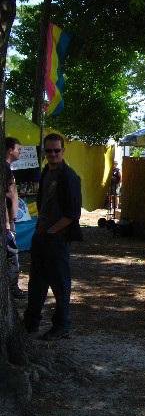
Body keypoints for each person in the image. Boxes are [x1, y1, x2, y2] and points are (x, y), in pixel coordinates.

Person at [23, 133, 82, 340]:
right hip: (41, 235)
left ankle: (61, 326)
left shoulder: (70, 177)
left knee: (60, 283)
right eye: (49, 151)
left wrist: (52, 231)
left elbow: (73, 214)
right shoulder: (46, 171)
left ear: (63, 151)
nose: (53, 154)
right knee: (36, 282)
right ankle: (30, 323)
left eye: (57, 150)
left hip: (56, 238)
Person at [5, 137, 27, 299]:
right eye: (18, 149)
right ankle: (13, 287)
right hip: (6, 223)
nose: (20, 151)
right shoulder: (5, 169)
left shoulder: (8, 169)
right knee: (12, 254)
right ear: (10, 150)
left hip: (10, 221)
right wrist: (7, 223)